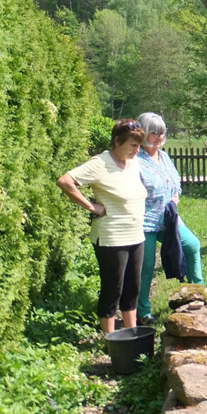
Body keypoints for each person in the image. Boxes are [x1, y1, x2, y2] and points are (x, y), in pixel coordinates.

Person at [56, 119, 147, 334]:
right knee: (113, 289)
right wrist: (92, 207)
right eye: (133, 145)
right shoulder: (100, 163)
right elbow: (64, 181)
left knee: (132, 288)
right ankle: (110, 338)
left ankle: (131, 333)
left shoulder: (134, 163)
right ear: (117, 141)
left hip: (136, 235)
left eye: (139, 145)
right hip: (112, 237)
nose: (137, 150)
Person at [135, 112, 204, 326]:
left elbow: (176, 184)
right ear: (144, 133)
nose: (159, 136)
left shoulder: (164, 156)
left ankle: (198, 296)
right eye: (154, 132)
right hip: (144, 221)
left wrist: (175, 197)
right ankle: (143, 311)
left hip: (169, 219)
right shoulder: (135, 160)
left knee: (192, 245)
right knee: (146, 264)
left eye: (162, 132)